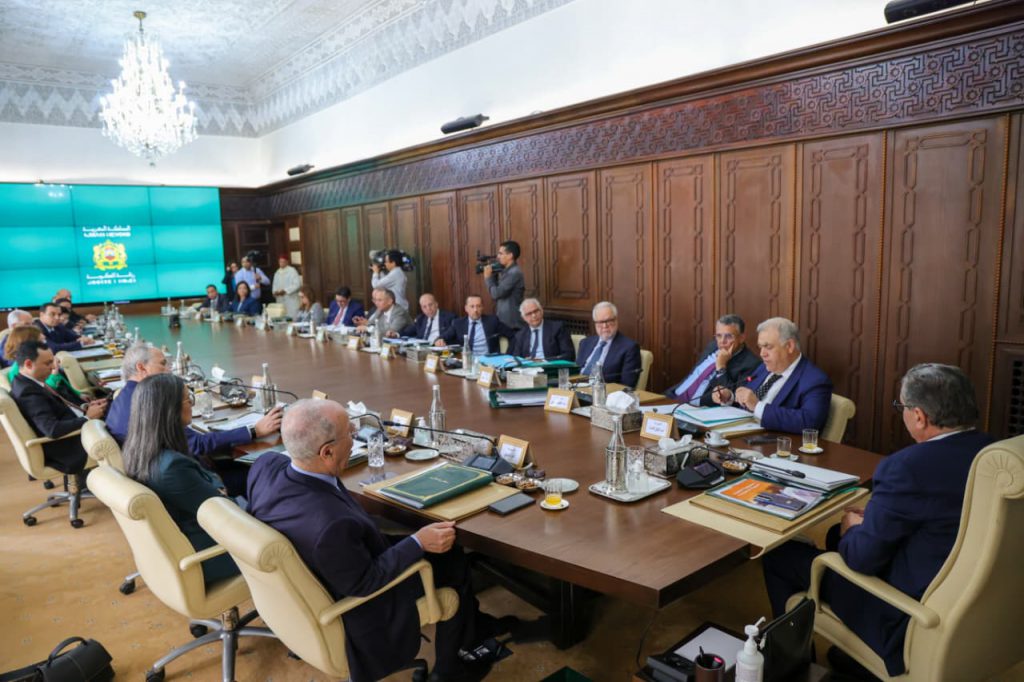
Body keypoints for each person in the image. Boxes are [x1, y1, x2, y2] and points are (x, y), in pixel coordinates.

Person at [247, 398, 517, 682]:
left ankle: (472, 626)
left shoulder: (265, 466)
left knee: (431, 545)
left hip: (333, 561)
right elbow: (365, 582)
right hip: (363, 597)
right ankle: (449, 671)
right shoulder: (331, 525)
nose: (355, 437)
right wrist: (418, 542)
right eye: (350, 433)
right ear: (326, 452)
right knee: (451, 559)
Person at [762, 363, 993, 677]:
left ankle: (793, 670)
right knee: (834, 534)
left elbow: (861, 559)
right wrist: (866, 523)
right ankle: (855, 660)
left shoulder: (907, 467)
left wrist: (852, 530)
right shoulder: (991, 453)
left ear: (919, 416)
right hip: (971, 602)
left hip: (905, 615)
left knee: (780, 554)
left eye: (901, 406)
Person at [106, 344, 282, 497]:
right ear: (141, 367)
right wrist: (254, 430)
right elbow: (196, 444)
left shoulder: (124, 396)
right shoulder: (147, 403)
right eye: (162, 364)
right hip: (188, 480)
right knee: (268, 470)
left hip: (163, 475)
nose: (168, 370)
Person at [121, 373, 241, 587]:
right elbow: (227, 511)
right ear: (170, 410)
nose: (192, 405)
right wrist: (219, 487)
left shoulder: (137, 449)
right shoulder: (172, 467)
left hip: (184, 543)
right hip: (213, 554)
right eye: (188, 399)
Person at [713, 317, 831, 433]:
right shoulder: (763, 368)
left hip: (773, 441)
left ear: (789, 346)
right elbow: (748, 400)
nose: (762, 354)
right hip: (739, 432)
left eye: (768, 347)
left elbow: (809, 422)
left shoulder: (815, 380)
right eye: (760, 347)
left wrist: (757, 406)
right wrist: (730, 397)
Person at [10, 340, 106, 473]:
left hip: (74, 430)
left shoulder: (26, 382)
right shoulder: (28, 392)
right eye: (48, 363)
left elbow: (59, 407)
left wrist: (85, 407)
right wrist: (87, 418)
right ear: (28, 364)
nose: (53, 367)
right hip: (69, 448)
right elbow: (52, 429)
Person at [665, 314, 760, 405]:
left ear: (742, 338)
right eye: (719, 336)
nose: (722, 341)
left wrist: (721, 367)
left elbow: (731, 398)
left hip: (696, 407)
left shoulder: (750, 364)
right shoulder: (712, 346)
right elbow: (693, 375)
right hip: (672, 396)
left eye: (728, 336)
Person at [5, 326, 82, 400]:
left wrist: (79, 394)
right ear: (29, 345)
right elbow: (44, 391)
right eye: (41, 342)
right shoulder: (17, 372)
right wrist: (54, 373)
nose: (45, 345)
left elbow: (62, 381)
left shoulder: (41, 360)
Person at [576, 301, 642, 388]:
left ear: (616, 320)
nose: (605, 326)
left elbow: (627, 385)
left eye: (608, 321)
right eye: (600, 322)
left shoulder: (630, 348)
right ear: (595, 323)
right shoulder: (585, 343)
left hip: (603, 392)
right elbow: (576, 372)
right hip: (575, 388)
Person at [437, 295, 513, 355]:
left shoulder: (492, 321)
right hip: (466, 361)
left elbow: (512, 335)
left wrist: (508, 354)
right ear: (466, 308)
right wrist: (440, 340)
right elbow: (442, 337)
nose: (475, 310)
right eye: (472, 306)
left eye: (478, 306)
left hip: (489, 361)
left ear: (482, 307)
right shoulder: (458, 323)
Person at [509, 298, 574, 361]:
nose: (534, 315)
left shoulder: (557, 328)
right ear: (524, 318)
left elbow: (569, 355)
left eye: (536, 311)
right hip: (528, 367)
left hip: (550, 366)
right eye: (529, 314)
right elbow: (516, 359)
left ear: (541, 311)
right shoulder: (520, 335)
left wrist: (543, 361)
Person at [484, 240, 525, 332]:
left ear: (510, 255)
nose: (498, 256)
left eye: (501, 253)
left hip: (512, 324)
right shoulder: (506, 271)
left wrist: (488, 278)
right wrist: (493, 275)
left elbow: (496, 294)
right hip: (505, 322)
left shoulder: (514, 273)